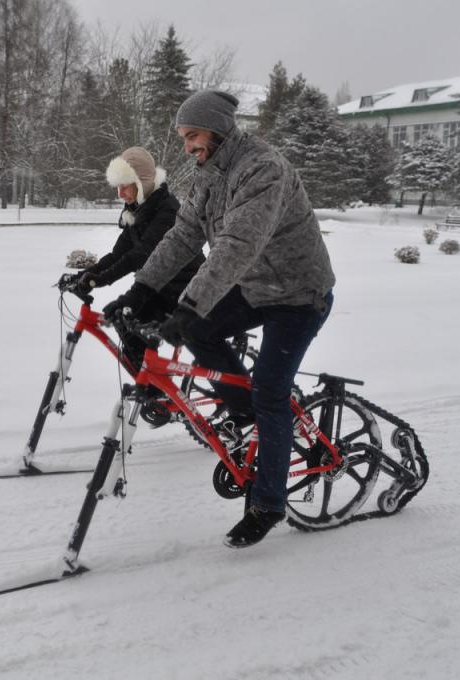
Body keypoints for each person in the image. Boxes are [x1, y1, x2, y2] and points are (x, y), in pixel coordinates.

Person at [105, 90, 336, 549]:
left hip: (298, 295)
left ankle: (267, 504)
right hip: (255, 288)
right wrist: (140, 290)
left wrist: (189, 303)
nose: (188, 146)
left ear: (217, 128)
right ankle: (244, 408)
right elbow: (183, 235)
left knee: (271, 391)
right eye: (184, 138)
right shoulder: (210, 174)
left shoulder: (262, 169)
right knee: (201, 332)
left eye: (193, 135)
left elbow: (236, 244)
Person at [72, 147, 204, 371]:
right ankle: (150, 389)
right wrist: (86, 274)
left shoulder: (166, 210)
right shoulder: (138, 210)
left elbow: (140, 254)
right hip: (157, 287)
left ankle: (153, 391)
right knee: (124, 322)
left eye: (125, 186)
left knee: (133, 322)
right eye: (118, 187)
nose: (120, 194)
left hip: (183, 290)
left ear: (141, 183)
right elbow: (118, 254)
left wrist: (100, 280)